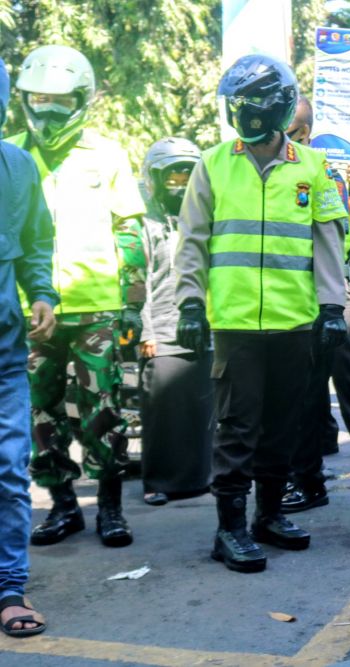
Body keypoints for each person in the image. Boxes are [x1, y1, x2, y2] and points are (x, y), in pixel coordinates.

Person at [174, 54, 348, 572]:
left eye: (254, 103)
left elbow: (326, 243)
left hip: (294, 323)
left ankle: (267, 516)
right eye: (239, 103)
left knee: (282, 427)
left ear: (277, 107)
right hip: (234, 324)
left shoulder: (313, 167)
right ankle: (229, 528)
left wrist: (333, 307)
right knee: (237, 427)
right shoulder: (213, 163)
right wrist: (188, 301)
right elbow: (193, 241)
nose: (246, 113)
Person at [7, 45, 147, 548]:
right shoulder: (11, 155)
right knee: (39, 411)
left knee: (102, 409)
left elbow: (129, 232)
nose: (47, 110)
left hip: (97, 310)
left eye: (59, 101)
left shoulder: (106, 154)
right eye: (38, 99)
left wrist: (133, 303)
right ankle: (62, 506)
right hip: (31, 313)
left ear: (81, 101)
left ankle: (110, 507)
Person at [282, 96, 350, 515]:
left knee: (346, 361)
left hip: (333, 283)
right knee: (303, 386)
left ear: (302, 132)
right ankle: (315, 452)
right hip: (288, 293)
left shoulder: (320, 172)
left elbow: (337, 235)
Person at [0, 55, 56, 637]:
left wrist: (41, 292)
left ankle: (8, 587)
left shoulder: (16, 168)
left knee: (10, 470)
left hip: (4, 352)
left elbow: (36, 240)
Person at [137, 137, 212, 506]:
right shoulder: (144, 227)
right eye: (172, 176)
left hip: (202, 329)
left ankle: (199, 478)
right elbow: (140, 284)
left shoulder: (203, 220)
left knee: (200, 408)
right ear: (154, 179)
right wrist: (146, 330)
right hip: (161, 332)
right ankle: (158, 482)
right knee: (163, 411)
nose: (181, 183)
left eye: (187, 174)